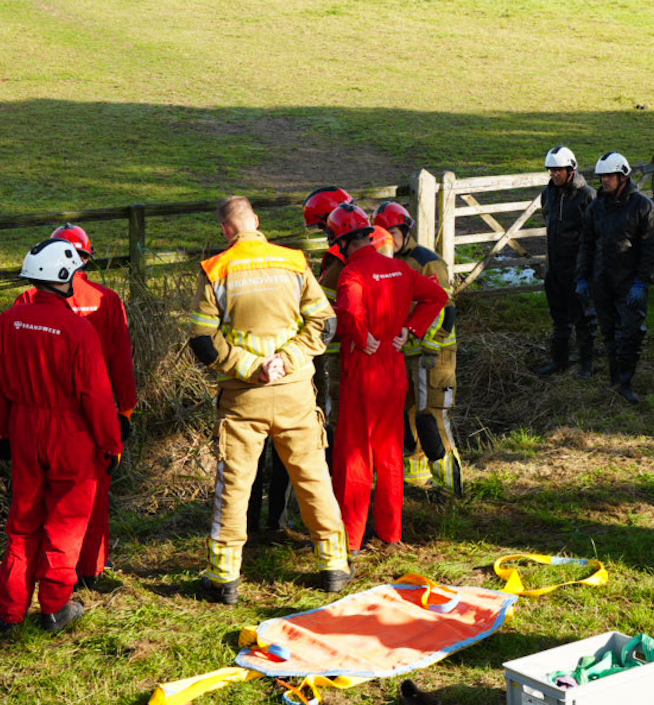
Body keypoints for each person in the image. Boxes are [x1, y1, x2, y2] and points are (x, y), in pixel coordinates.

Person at [187, 196, 348, 599]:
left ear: (225, 230)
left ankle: (224, 577)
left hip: (244, 398)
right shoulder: (295, 262)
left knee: (235, 485)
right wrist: (288, 359)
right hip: (294, 391)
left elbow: (203, 342)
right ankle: (334, 566)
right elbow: (325, 323)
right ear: (256, 222)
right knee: (312, 477)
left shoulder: (215, 270)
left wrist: (247, 366)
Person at [0, 239, 123, 634]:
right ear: (63, 278)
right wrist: (111, 443)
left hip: (24, 428)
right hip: (71, 433)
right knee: (65, 521)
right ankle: (54, 607)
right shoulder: (78, 330)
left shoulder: (7, 321)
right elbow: (97, 395)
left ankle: (10, 611)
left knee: (22, 521)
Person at [14, 224, 135, 587]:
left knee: (33, 501)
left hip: (37, 413)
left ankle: (34, 574)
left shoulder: (26, 302)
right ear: (85, 257)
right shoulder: (107, 299)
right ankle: (90, 568)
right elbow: (120, 360)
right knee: (91, 497)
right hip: (94, 415)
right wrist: (125, 410)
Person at [329, 207, 449, 554]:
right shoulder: (399, 268)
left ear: (344, 243)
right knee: (390, 452)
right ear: (369, 236)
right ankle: (391, 532)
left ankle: (351, 538)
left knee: (355, 455)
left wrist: (360, 334)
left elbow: (349, 310)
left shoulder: (351, 273)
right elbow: (437, 296)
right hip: (394, 368)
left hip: (363, 370)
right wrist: (410, 330)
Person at [374, 200, 462, 494]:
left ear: (405, 231)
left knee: (432, 419)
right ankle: (415, 477)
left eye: (391, 235)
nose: (387, 241)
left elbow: (445, 309)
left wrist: (431, 347)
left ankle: (451, 486)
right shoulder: (387, 261)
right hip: (406, 353)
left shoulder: (427, 261)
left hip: (433, 355)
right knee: (408, 416)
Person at [576, 152, 654, 404]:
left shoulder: (642, 206)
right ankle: (615, 378)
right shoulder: (596, 207)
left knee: (631, 332)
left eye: (609, 176)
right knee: (610, 331)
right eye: (602, 176)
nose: (604, 180)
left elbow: (652, 247)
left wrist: (641, 282)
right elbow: (587, 244)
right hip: (602, 279)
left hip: (630, 281)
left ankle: (626, 382)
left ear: (623, 177)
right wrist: (582, 277)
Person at [536, 146, 597, 379]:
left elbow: (594, 234)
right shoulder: (548, 194)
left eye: (558, 170)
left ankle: (586, 364)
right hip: (555, 267)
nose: (554, 174)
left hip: (578, 269)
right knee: (559, 317)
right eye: (550, 170)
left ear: (571, 169)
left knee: (583, 317)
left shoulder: (587, 196)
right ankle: (558, 360)